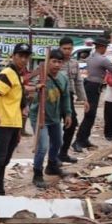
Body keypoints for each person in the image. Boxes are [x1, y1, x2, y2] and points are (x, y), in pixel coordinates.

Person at [0, 43, 29, 195]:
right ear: (13, 56)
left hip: (14, 122)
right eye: (20, 56)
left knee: (5, 159)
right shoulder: (8, 73)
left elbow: (18, 95)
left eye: (26, 57)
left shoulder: (18, 75)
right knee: (0, 157)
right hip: (4, 121)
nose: (23, 60)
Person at [72, 37, 112, 152]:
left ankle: (84, 139)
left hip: (90, 85)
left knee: (90, 115)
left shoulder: (92, 56)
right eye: (105, 47)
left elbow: (110, 66)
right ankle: (78, 141)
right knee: (89, 115)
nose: (106, 49)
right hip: (93, 87)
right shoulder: (102, 59)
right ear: (102, 47)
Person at [29, 48, 71, 188]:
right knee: (43, 146)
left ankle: (52, 166)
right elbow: (27, 89)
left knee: (58, 142)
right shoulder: (39, 76)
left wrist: (68, 113)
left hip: (55, 117)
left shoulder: (63, 78)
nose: (57, 65)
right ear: (48, 62)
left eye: (60, 62)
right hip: (39, 117)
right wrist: (36, 88)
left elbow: (66, 97)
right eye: (54, 61)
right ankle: (37, 173)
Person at [57, 37, 86, 164]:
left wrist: (84, 99)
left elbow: (78, 82)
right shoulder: (55, 61)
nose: (67, 51)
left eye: (69, 48)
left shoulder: (74, 63)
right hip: (55, 97)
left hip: (68, 97)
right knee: (54, 126)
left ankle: (63, 153)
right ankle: (54, 155)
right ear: (60, 48)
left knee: (72, 124)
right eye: (65, 49)